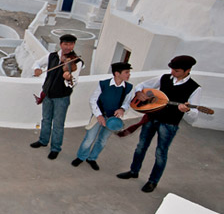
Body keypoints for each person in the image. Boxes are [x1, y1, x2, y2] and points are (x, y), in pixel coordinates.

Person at [116, 55, 201, 193]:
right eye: (172, 69)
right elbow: (142, 85)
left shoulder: (195, 88)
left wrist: (186, 110)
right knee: (140, 146)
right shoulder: (164, 78)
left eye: (177, 71)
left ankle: (153, 181)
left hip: (169, 124)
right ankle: (133, 171)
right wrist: (139, 93)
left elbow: (194, 115)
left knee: (161, 153)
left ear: (187, 70)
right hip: (151, 118)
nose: (173, 72)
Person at [71, 62, 134, 170]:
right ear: (117, 73)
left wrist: (122, 109)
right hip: (98, 115)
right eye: (126, 72)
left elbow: (127, 102)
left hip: (112, 119)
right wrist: (99, 115)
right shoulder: (103, 84)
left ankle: (92, 158)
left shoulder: (128, 87)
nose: (129, 75)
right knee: (89, 139)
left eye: (129, 72)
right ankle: (81, 157)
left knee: (103, 140)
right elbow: (93, 100)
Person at [30, 34, 83, 159]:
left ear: (74, 45)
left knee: (58, 124)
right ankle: (43, 141)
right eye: (66, 44)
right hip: (48, 94)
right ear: (61, 44)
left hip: (62, 97)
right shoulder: (51, 56)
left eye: (71, 44)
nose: (68, 47)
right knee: (46, 119)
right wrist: (37, 69)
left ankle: (55, 148)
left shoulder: (77, 62)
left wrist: (68, 79)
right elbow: (37, 63)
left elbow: (73, 82)